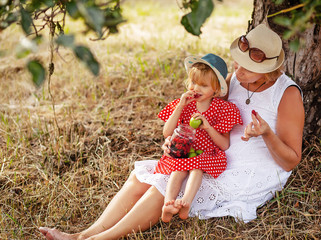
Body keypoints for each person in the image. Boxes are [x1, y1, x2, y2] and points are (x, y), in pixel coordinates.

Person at [39, 24, 304, 240]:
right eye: (237, 63)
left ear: (268, 69)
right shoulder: (236, 78)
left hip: (251, 171)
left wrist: (267, 133)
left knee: (162, 186)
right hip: (213, 152)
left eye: (247, 67)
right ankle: (82, 235)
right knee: (142, 176)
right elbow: (209, 110)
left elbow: (291, 160)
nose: (238, 70)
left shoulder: (287, 94)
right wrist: (180, 140)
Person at [156, 54, 242, 222]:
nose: (196, 88)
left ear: (216, 90)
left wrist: (208, 127)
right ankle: (168, 204)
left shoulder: (222, 109)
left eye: (203, 85)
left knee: (196, 167)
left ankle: (186, 202)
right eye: (193, 82)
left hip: (206, 154)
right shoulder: (183, 104)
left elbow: (224, 145)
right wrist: (181, 106)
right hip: (185, 150)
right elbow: (167, 132)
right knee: (178, 169)